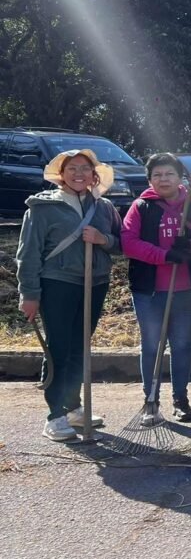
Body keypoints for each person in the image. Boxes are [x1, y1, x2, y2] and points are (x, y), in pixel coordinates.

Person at [16, 149, 121, 441]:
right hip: (57, 283)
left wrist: (103, 239)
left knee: (79, 347)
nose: (79, 174)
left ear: (94, 175)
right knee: (59, 348)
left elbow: (121, 243)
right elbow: (28, 255)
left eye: (85, 169)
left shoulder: (104, 207)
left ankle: (73, 407)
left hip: (95, 283)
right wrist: (29, 293)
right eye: (72, 168)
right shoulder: (42, 208)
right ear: (61, 174)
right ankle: (54, 415)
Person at [121, 153, 191, 424]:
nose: (163, 179)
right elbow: (128, 243)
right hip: (149, 290)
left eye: (169, 173)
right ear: (149, 179)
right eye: (157, 175)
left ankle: (180, 399)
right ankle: (151, 400)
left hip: (186, 288)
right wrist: (164, 255)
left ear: (179, 176)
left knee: (181, 345)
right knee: (152, 345)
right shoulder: (141, 207)